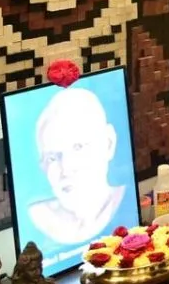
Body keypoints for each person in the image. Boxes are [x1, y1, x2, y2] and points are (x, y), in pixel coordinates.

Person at [27, 87, 128, 246]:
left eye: (78, 147)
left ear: (108, 144)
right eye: (52, 157)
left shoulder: (127, 204)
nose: (66, 169)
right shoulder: (35, 221)